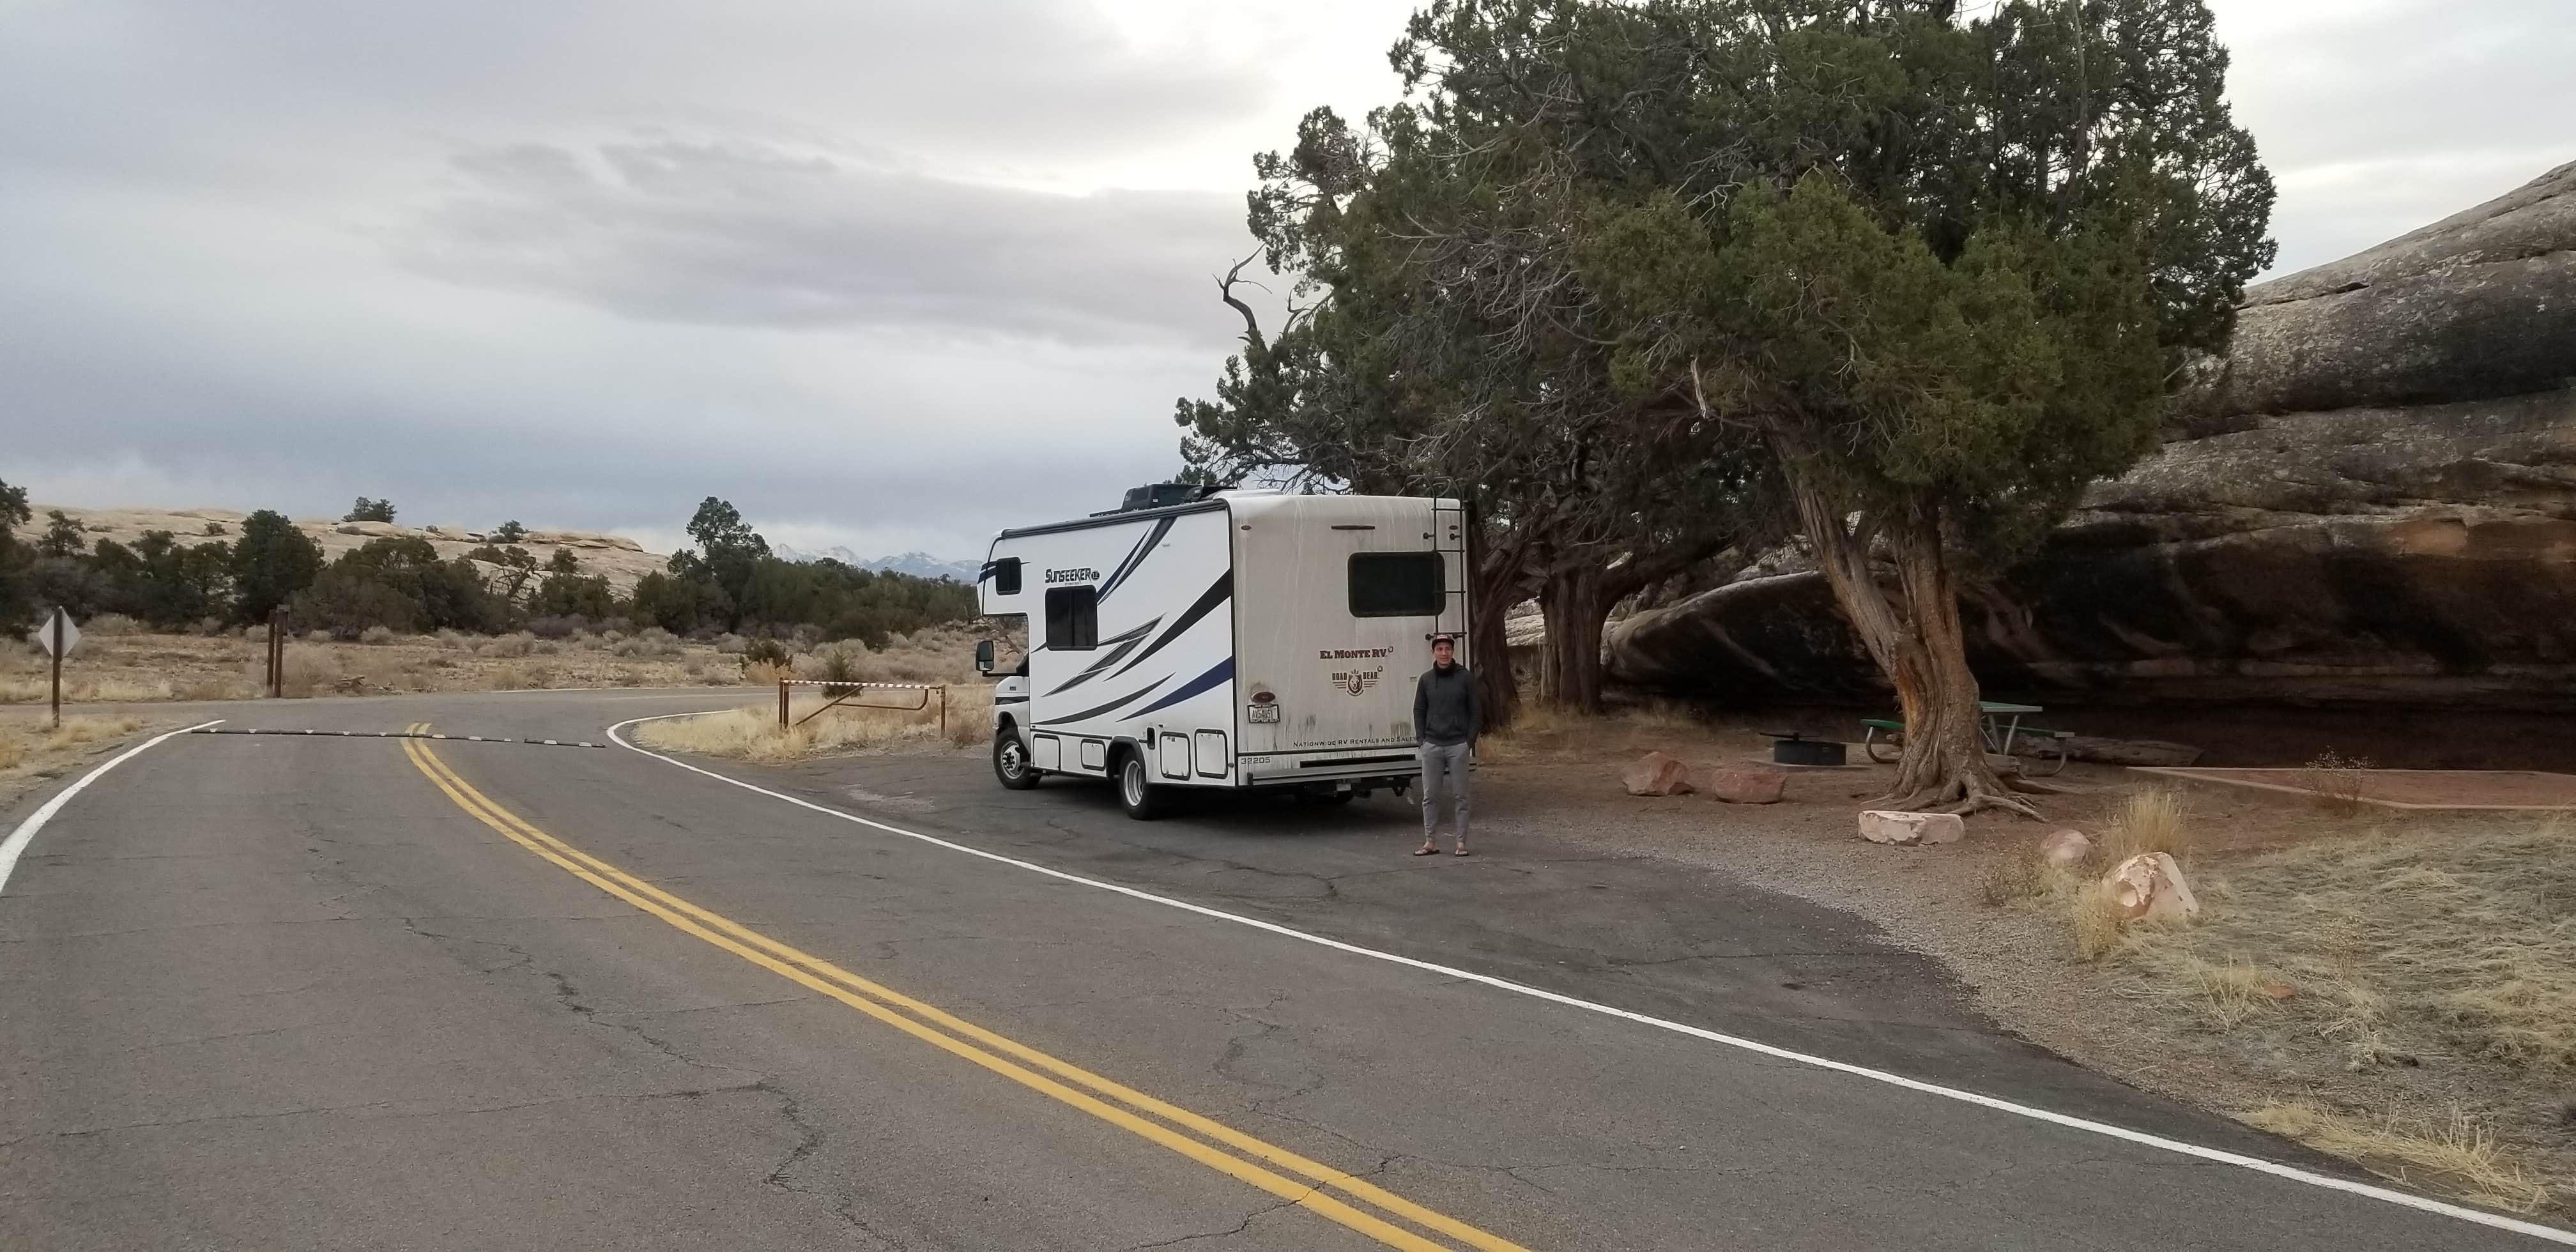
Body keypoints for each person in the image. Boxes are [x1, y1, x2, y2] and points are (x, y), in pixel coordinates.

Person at [1411, 634, 1480, 857]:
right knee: (1430, 796)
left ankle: (1461, 843)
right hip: (1432, 745)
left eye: (1447, 649)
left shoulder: (1465, 678)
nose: (1444, 653)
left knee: (1461, 796)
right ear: (1433, 653)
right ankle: (1430, 841)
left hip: (1457, 745)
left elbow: (1476, 712)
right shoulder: (1426, 680)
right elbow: (1419, 711)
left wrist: (1468, 741)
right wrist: (1422, 740)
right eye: (1439, 649)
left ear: (1453, 652)